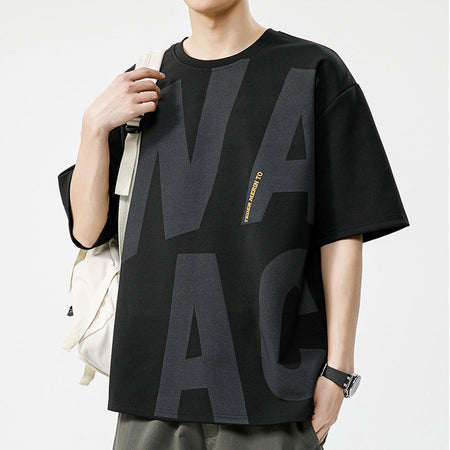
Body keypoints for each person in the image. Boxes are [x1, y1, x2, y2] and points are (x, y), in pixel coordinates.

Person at [57, 1, 410, 448]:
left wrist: (339, 370)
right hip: (152, 391)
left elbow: (343, 231)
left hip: (274, 393)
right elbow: (87, 231)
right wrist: (92, 128)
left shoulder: (312, 70)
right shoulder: (142, 83)